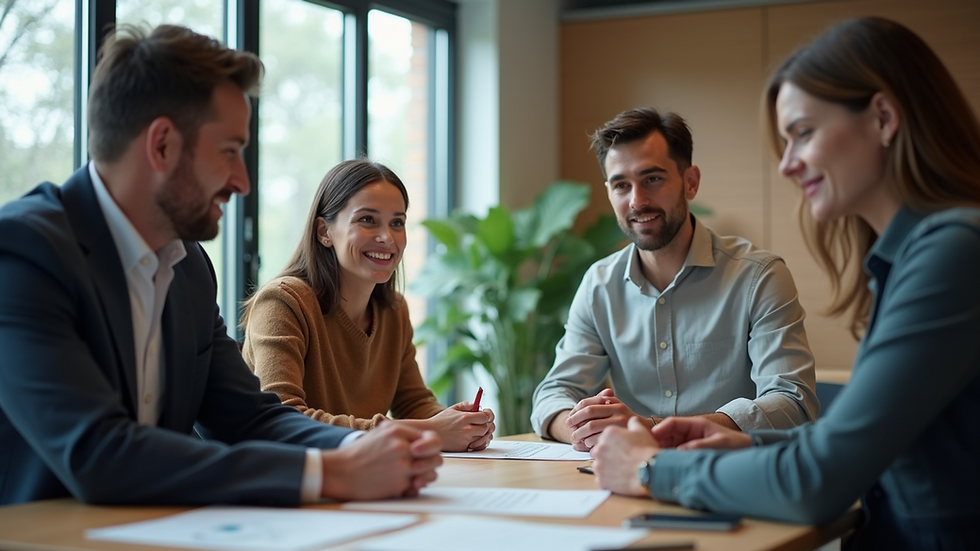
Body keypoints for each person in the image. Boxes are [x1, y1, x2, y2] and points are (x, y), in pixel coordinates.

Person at [0, 24, 442, 507]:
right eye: (230, 151)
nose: (242, 181)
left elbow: (250, 417)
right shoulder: (25, 252)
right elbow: (97, 453)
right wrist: (327, 472)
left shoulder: (189, 267)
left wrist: (364, 447)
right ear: (162, 144)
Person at [591, 17, 980, 550]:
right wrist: (745, 445)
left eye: (803, 133)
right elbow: (853, 446)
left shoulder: (954, 252)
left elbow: (821, 478)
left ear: (884, 117)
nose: (788, 166)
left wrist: (652, 468)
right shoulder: (920, 252)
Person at [530, 108, 819, 451]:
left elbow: (791, 403)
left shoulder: (759, 277)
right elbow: (553, 395)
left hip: (733, 479)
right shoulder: (599, 285)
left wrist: (650, 429)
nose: (637, 200)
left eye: (652, 179)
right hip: (625, 479)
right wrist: (583, 429)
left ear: (690, 182)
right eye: (622, 185)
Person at [240, 160, 495, 452]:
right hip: (287, 481)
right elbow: (282, 420)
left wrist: (456, 424)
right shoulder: (283, 302)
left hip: (358, 475)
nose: (387, 237)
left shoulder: (394, 310)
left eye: (397, 223)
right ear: (324, 231)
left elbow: (412, 402)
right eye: (367, 220)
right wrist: (430, 432)